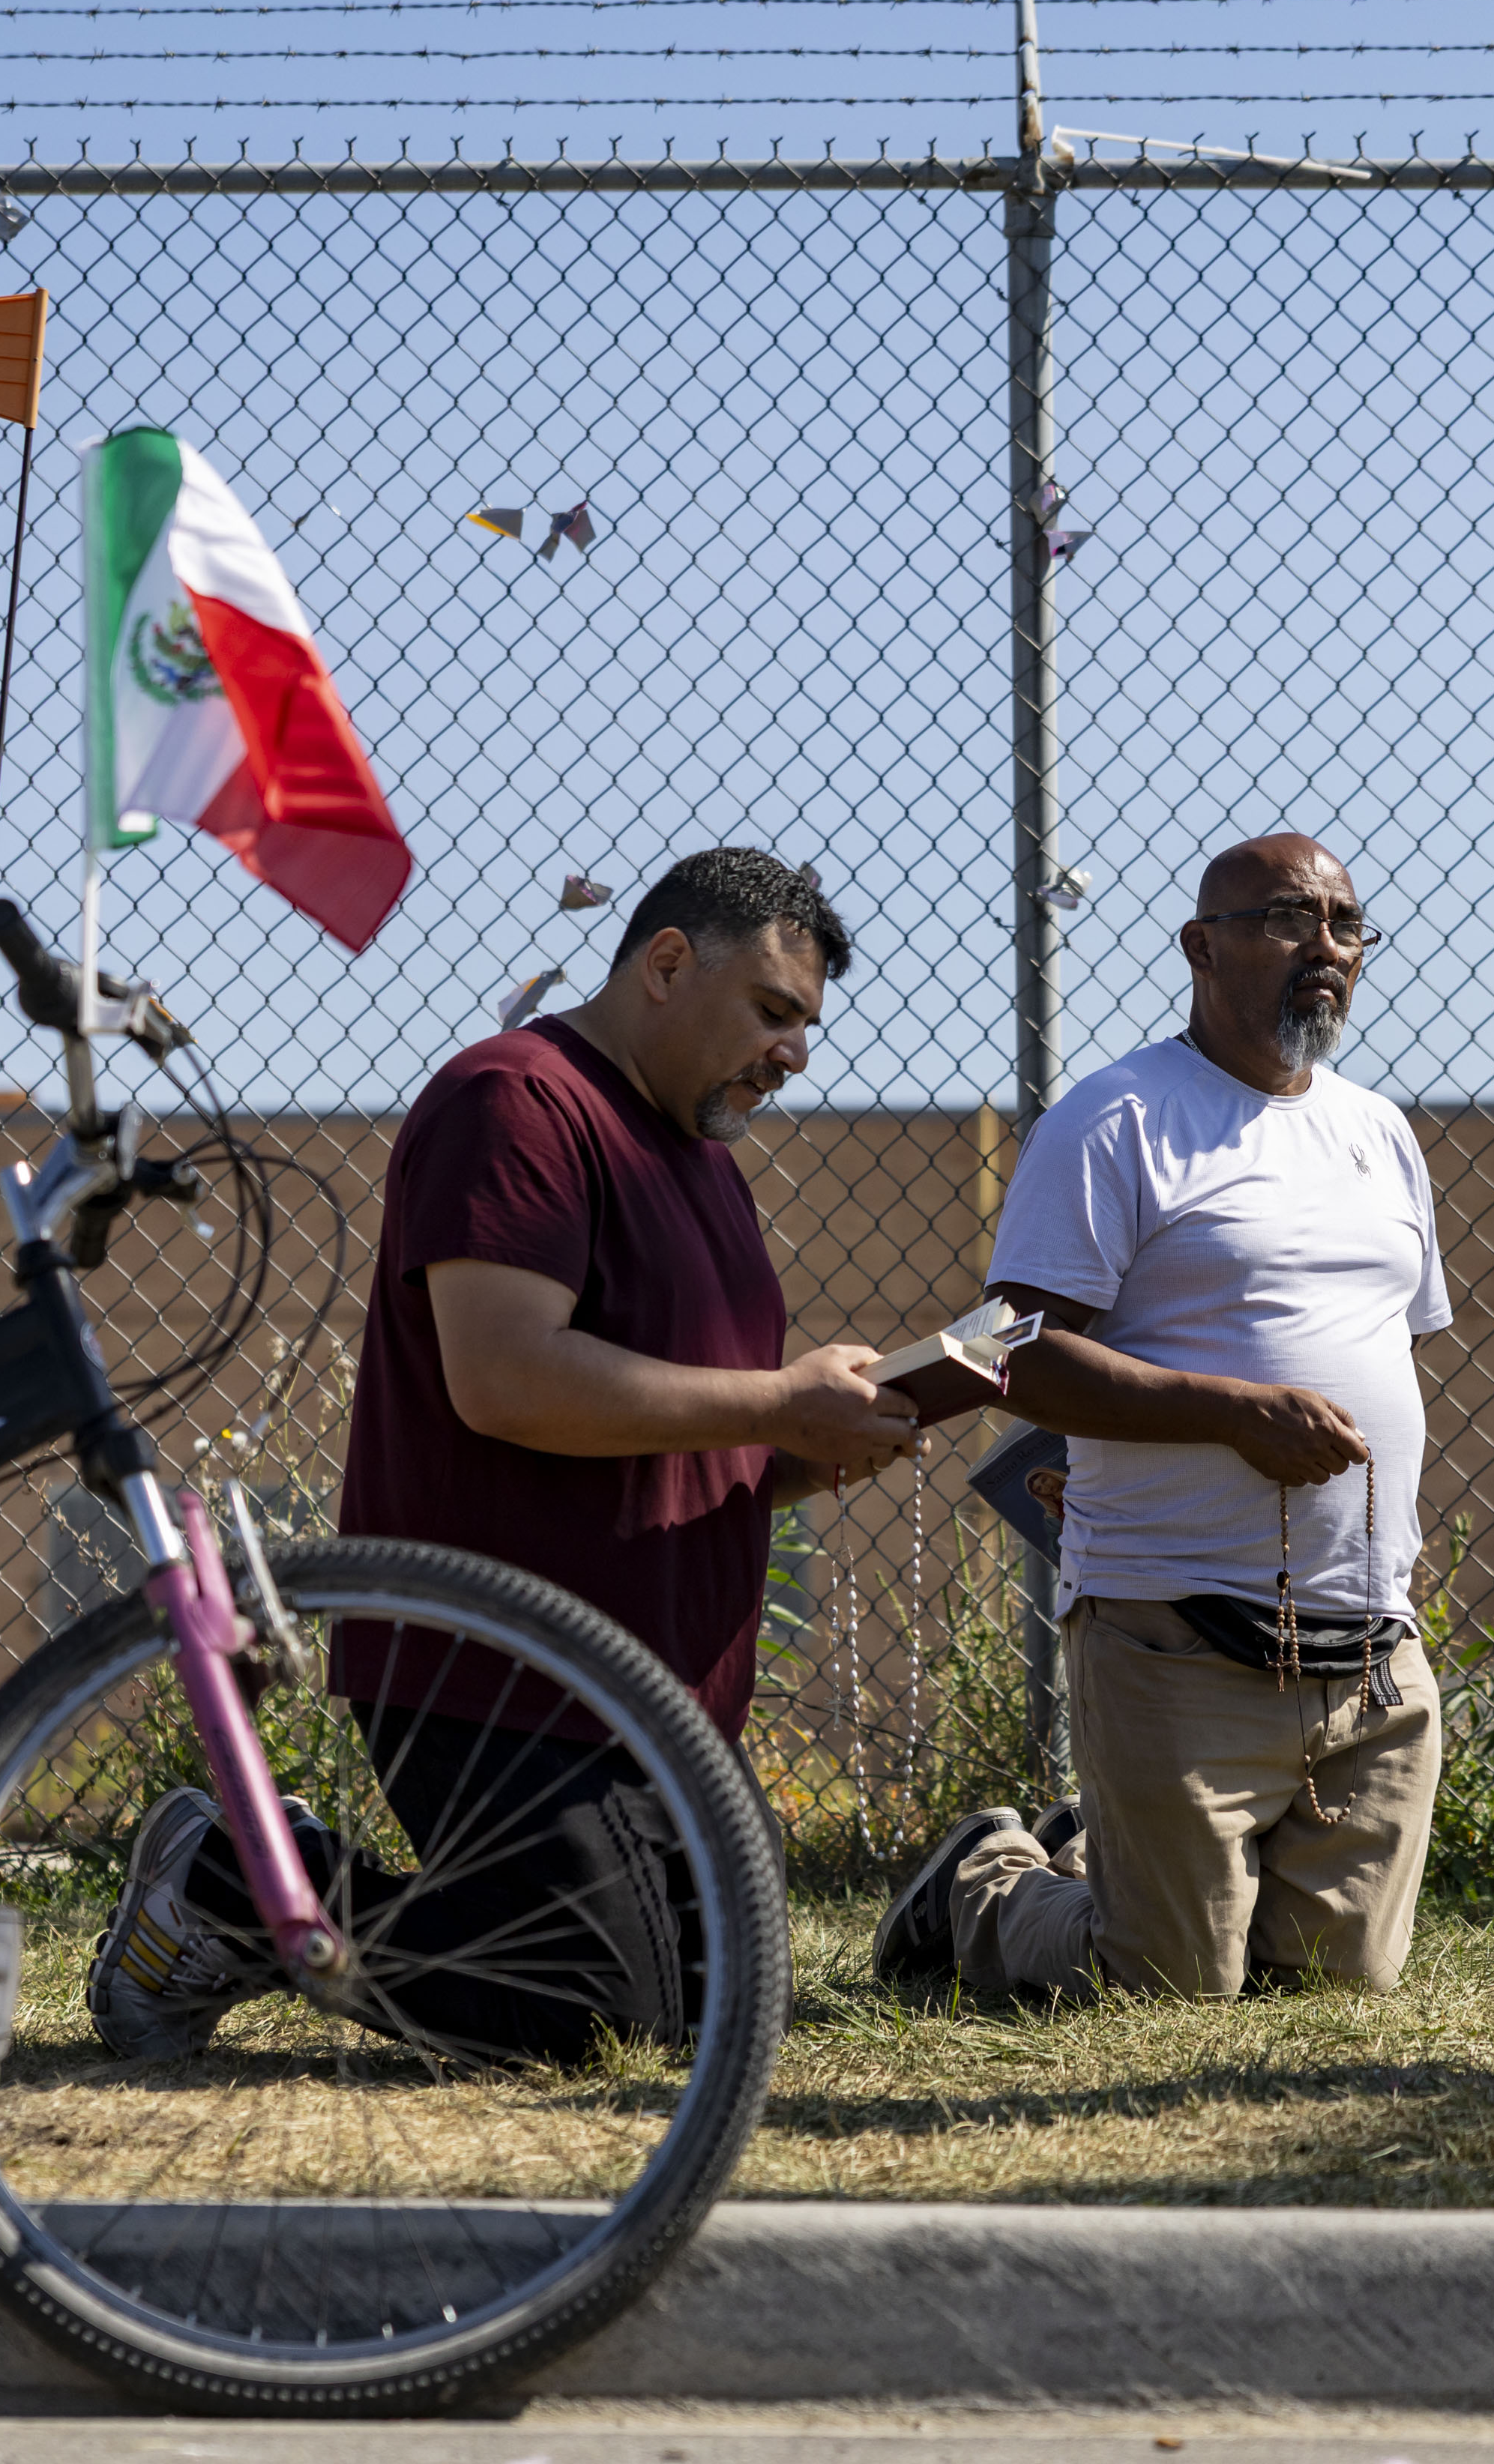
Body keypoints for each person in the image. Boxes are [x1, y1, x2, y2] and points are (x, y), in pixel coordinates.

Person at [88, 847, 919, 2063]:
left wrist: (811, 1445)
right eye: (775, 1012)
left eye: (806, 1027)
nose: (795, 1052)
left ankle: (278, 1874)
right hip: (498, 1672)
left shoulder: (707, 1167)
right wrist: (776, 1404)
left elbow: (694, 1433)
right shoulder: (517, 1100)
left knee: (711, 2013)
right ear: (667, 963)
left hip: (658, 1697)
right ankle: (221, 1880)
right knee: (589, 2012)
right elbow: (506, 1377)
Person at [873, 832, 1452, 2001]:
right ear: (1201, 946)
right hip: (1177, 1627)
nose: (1328, 948)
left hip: (1366, 1651)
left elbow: (1392, 1345)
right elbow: (1009, 1347)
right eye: (1293, 920)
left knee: (1335, 1991)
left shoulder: (1378, 1133)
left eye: (1347, 925)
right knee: (1167, 1986)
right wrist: (1230, 1414)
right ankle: (984, 1878)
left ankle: (1102, 1852)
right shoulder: (1118, 1117)